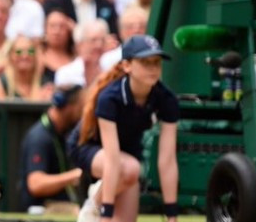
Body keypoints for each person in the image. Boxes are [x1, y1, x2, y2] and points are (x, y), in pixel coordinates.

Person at [69, 35, 179, 222]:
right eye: (145, 62)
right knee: (129, 168)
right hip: (88, 148)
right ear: (127, 66)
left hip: (126, 159)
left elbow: (167, 160)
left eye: (157, 63)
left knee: (129, 171)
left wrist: (172, 216)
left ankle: (100, 194)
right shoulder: (110, 98)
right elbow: (112, 161)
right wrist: (104, 212)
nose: (153, 68)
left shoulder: (166, 98)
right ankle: (93, 203)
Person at [19, 85, 84, 214]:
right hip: (42, 208)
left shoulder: (62, 133)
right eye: (80, 107)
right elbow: (36, 184)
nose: (82, 113)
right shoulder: (39, 138)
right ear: (68, 106)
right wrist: (74, 176)